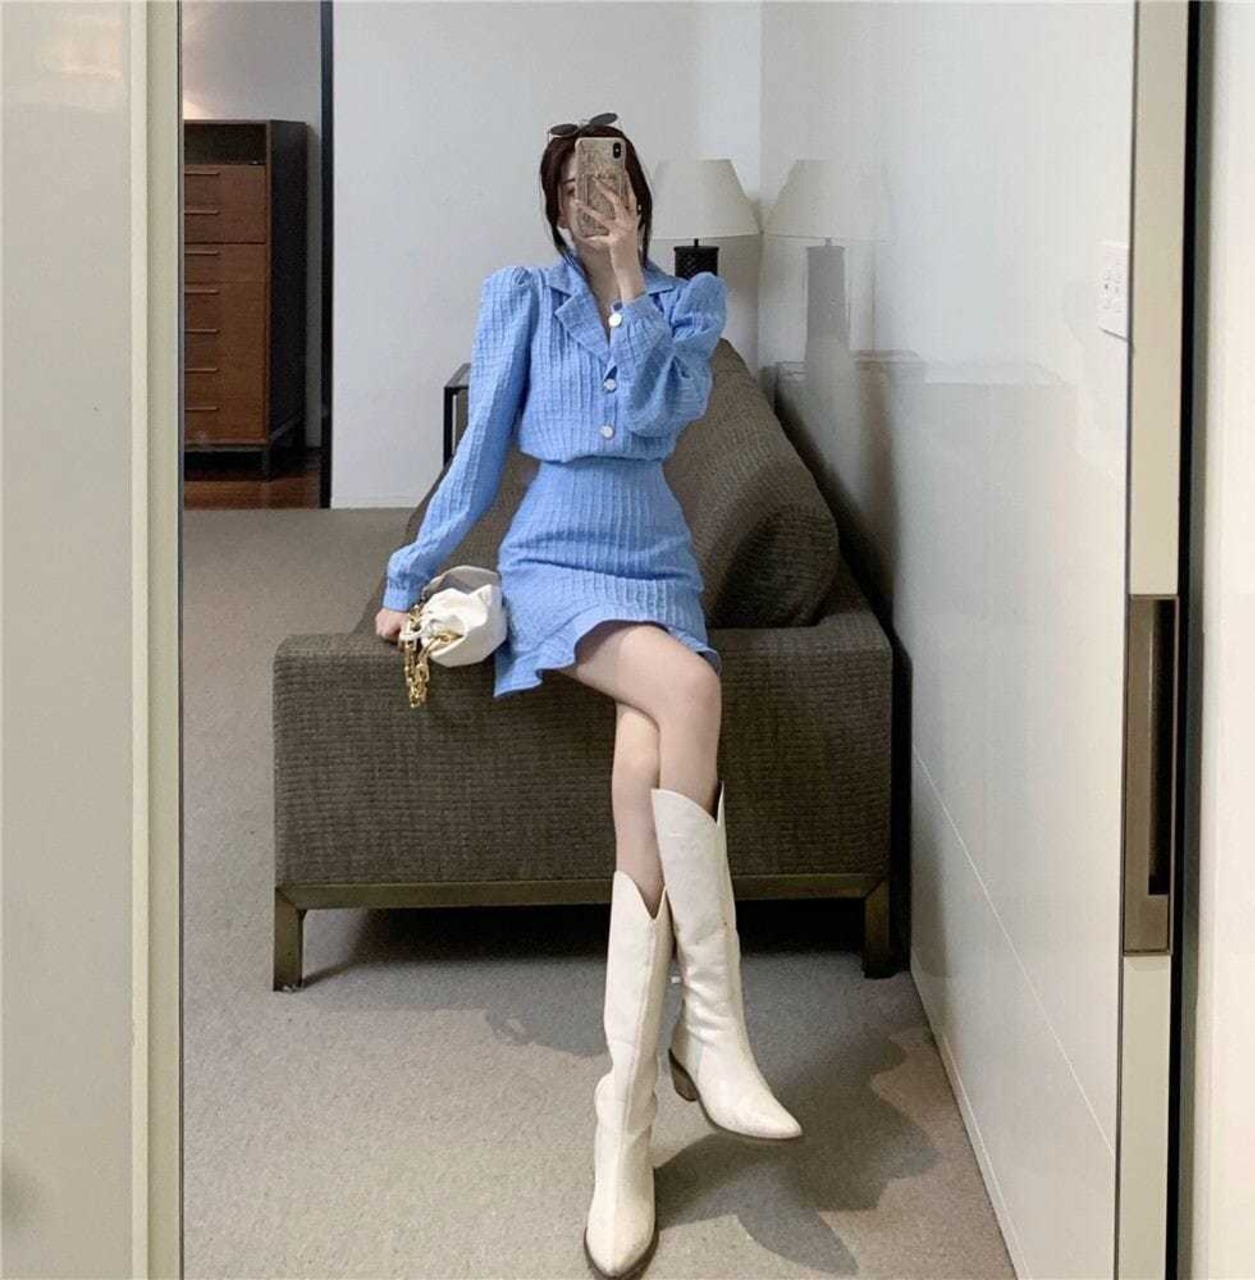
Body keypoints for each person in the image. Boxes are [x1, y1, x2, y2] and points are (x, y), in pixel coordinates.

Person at [375, 115, 802, 1280]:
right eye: (569, 184)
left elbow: (658, 418)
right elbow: (482, 452)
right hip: (556, 557)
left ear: (636, 192)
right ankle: (709, 1032)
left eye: (604, 178)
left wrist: (626, 282)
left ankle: (624, 1112)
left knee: (642, 750)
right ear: (550, 202)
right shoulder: (518, 296)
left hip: (654, 561)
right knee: (690, 688)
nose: (588, 196)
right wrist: (407, 575)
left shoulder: (688, 306)